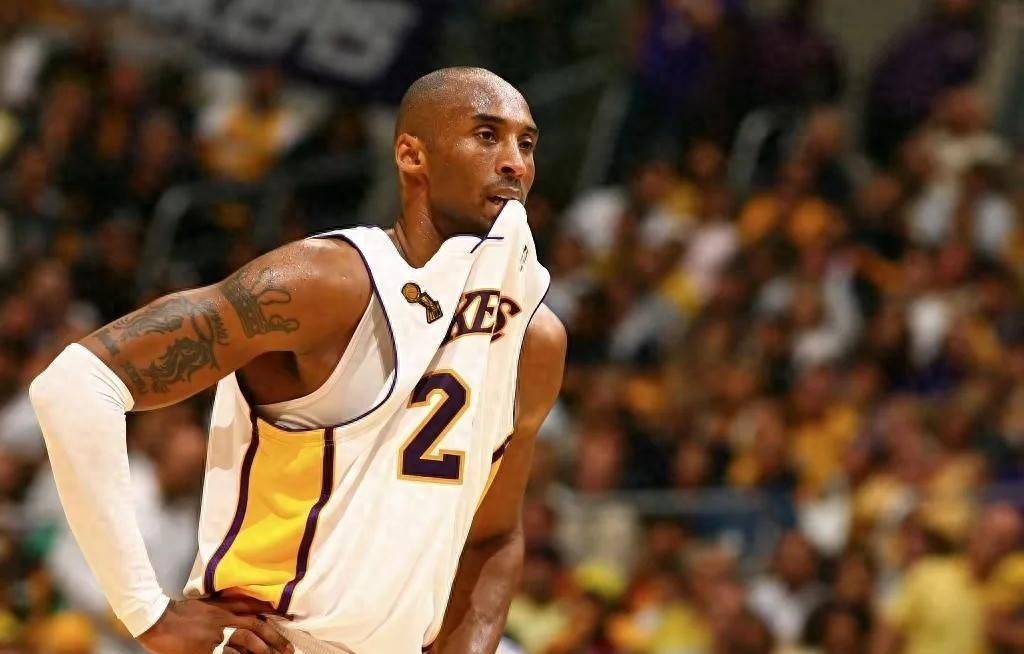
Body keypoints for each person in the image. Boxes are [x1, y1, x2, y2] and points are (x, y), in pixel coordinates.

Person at [29, 67, 567, 654]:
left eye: (527, 144)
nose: (515, 163)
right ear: (412, 155)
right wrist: (147, 613)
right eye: (487, 136)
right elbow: (75, 385)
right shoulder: (328, 282)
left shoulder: (534, 340)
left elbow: (491, 537)